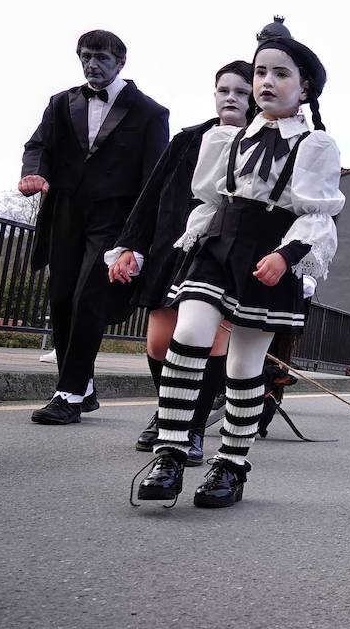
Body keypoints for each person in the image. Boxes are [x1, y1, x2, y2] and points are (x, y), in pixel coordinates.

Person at [134, 34, 344, 509]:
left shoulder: (315, 145)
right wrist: (189, 244)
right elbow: (208, 201)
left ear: (306, 88)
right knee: (187, 332)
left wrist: (288, 256)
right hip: (218, 244)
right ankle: (170, 453)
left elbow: (319, 214)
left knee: (244, 365)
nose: (266, 82)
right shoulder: (222, 138)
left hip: (269, 250)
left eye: (281, 73)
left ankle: (231, 466)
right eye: (260, 73)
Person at [20, 31, 170, 425]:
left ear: (121, 62)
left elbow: (155, 180)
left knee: (90, 298)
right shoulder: (60, 103)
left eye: (101, 57)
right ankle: (83, 387)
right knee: (62, 299)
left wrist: (137, 241)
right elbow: (38, 147)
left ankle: (67, 395)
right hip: (65, 213)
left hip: (115, 220)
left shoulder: (150, 113)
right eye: (85, 57)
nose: (92, 65)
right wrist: (33, 174)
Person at [106, 61, 253, 463]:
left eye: (241, 92)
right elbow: (151, 194)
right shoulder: (188, 140)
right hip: (172, 249)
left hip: (224, 254)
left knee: (209, 344)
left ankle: (189, 429)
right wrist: (128, 246)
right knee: (158, 343)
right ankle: (169, 408)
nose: (231, 98)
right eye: (224, 90)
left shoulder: (264, 143)